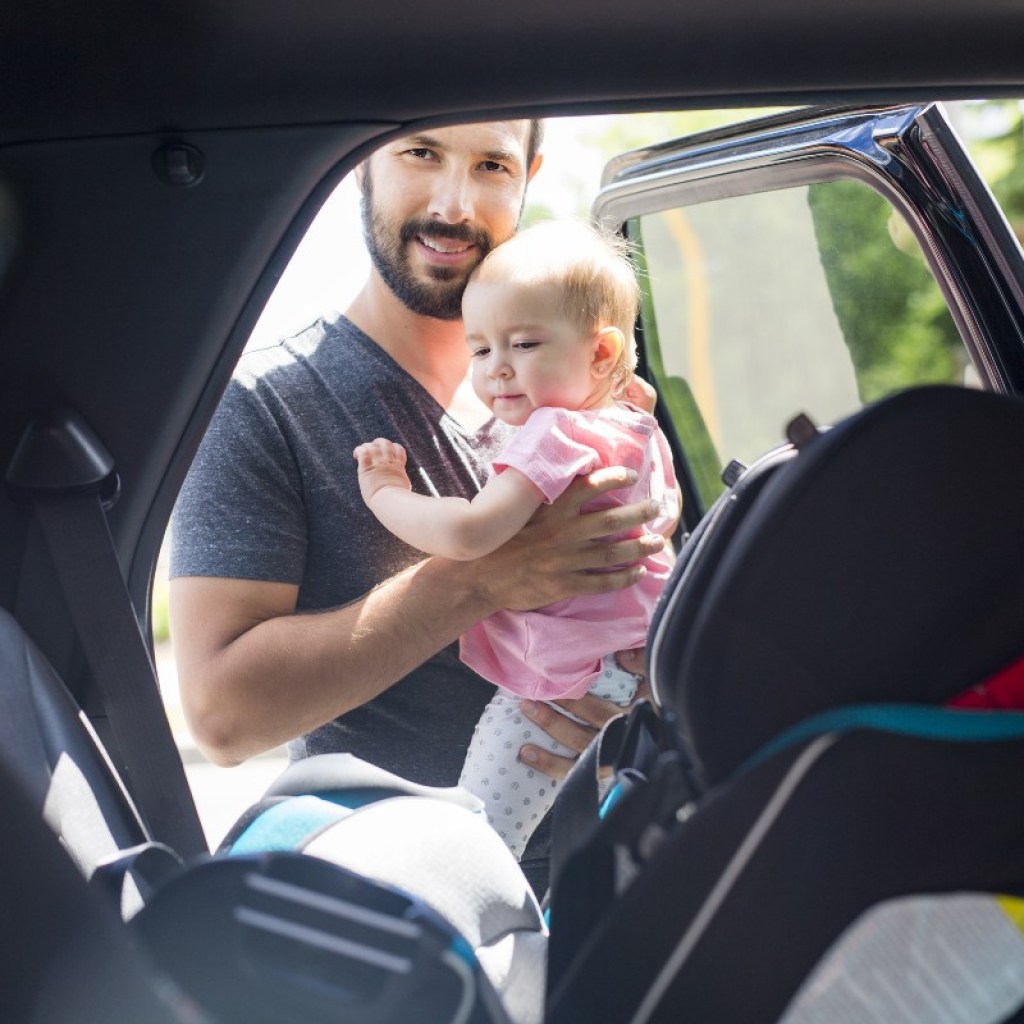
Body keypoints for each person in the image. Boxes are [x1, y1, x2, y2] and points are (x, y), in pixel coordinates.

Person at [169, 120, 667, 893]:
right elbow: (221, 716)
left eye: (492, 165)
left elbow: (646, 592)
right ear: (359, 164)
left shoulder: (590, 396)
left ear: (528, 176)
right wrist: (483, 578)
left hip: (611, 870)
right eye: (421, 152)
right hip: (403, 896)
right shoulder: (264, 405)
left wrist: (641, 694)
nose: (453, 204)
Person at [354, 219, 679, 856]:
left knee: (482, 840)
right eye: (480, 351)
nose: (498, 370)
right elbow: (663, 516)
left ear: (601, 353)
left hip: (563, 681)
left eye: (524, 344)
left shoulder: (556, 432)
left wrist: (385, 492)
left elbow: (471, 532)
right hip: (632, 668)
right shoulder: (634, 422)